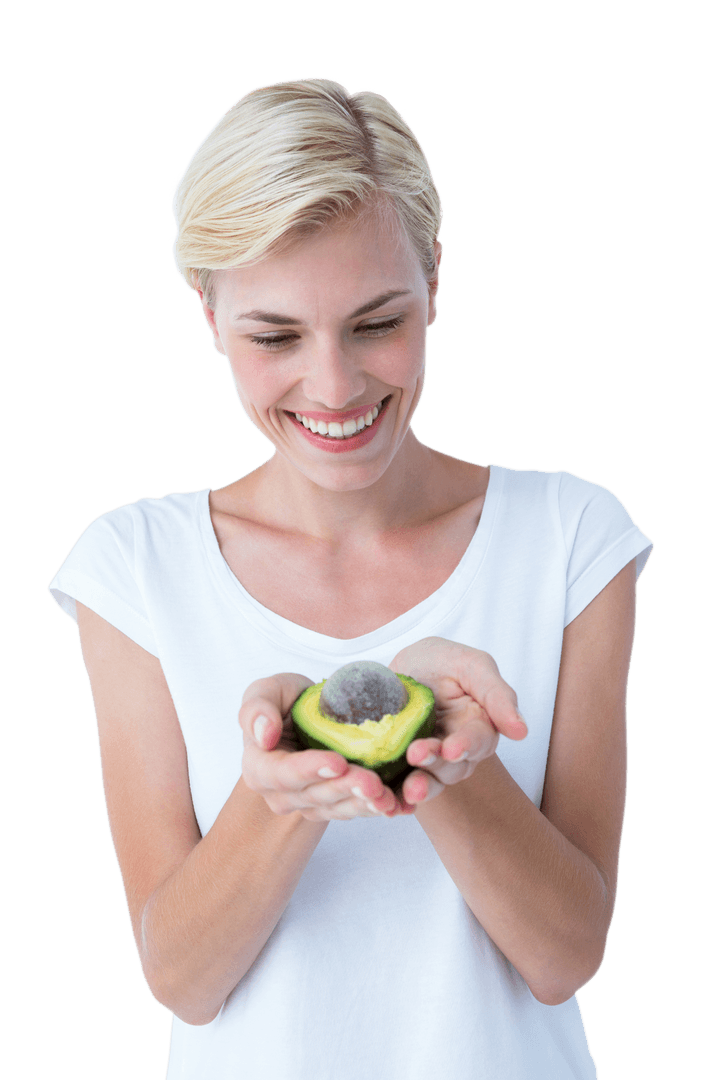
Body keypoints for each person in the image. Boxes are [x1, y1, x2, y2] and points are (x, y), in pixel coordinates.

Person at [48, 77, 653, 1079]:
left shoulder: (569, 537)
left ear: (435, 282)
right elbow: (183, 980)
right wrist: (282, 786)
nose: (334, 387)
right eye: (275, 336)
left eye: (377, 322)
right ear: (208, 310)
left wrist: (443, 759)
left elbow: (565, 958)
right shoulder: (135, 566)